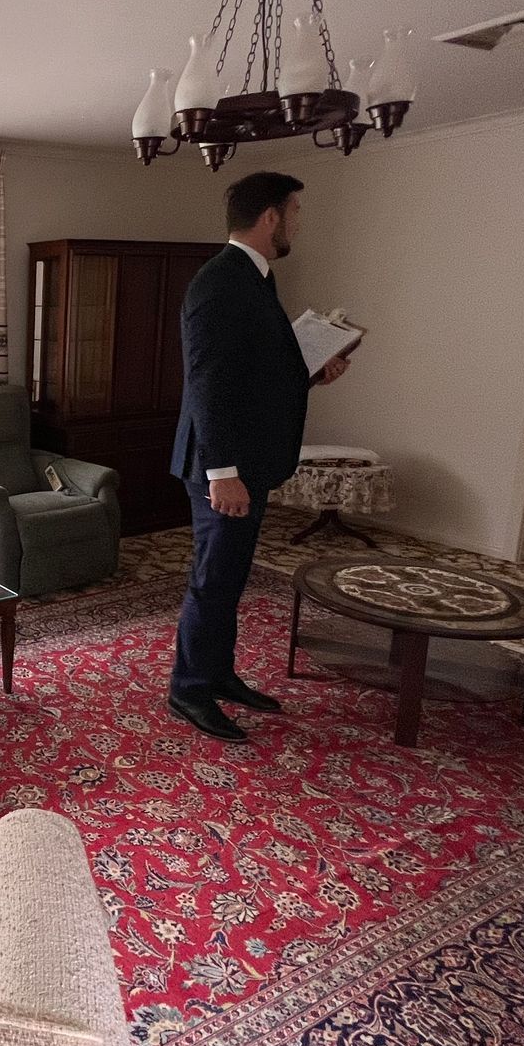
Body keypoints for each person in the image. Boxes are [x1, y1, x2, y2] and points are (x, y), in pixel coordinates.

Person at [167, 170, 347, 741]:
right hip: (224, 468)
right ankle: (188, 690)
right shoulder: (220, 282)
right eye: (295, 211)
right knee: (213, 578)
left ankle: (217, 674)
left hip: (247, 461)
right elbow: (208, 382)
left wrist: (311, 373)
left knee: (230, 576)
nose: (299, 222)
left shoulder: (255, 278)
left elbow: (252, 373)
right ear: (270, 216)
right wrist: (223, 474)